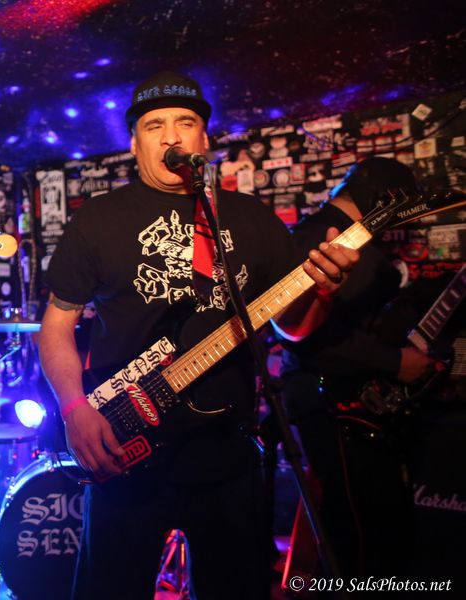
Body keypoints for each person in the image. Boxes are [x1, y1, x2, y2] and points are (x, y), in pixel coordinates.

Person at [38, 71, 359, 600]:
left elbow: (292, 328)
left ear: (203, 139)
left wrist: (321, 292)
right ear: (134, 143)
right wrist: (74, 409)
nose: (171, 136)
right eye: (154, 125)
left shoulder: (250, 219)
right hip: (126, 442)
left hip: (226, 454)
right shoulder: (98, 219)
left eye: (185, 123)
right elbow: (56, 326)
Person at [279, 157, 436, 578]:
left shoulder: (355, 238)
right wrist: (394, 361)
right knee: (355, 521)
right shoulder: (318, 237)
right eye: (401, 206)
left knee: (370, 519)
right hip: (328, 400)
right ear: (385, 197)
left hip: (350, 399)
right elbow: (302, 335)